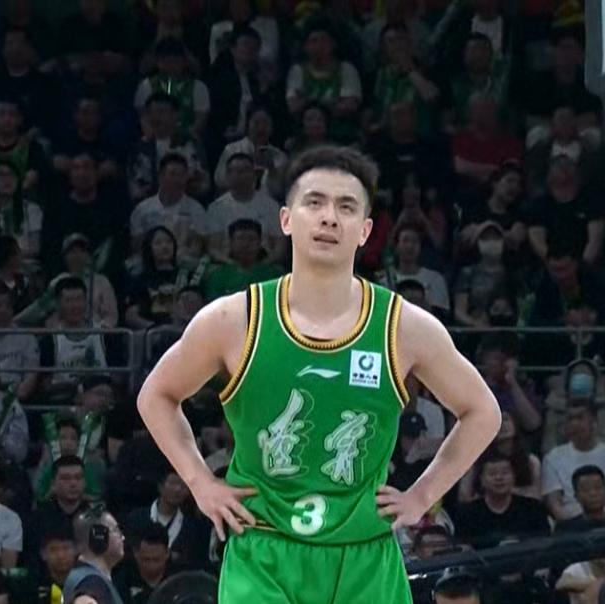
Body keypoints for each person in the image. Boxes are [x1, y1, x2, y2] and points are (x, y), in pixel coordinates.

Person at [137, 146, 502, 604]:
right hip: (264, 549)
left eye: (346, 207)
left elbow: (483, 412)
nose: (329, 217)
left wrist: (422, 495)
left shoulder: (404, 326)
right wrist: (200, 483)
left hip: (364, 553)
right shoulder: (234, 319)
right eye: (315, 202)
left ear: (365, 231)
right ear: (286, 220)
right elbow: (156, 395)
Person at [63, 505, 126, 604]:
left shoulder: (88, 578)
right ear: (99, 537)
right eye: (116, 530)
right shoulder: (91, 583)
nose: (123, 537)